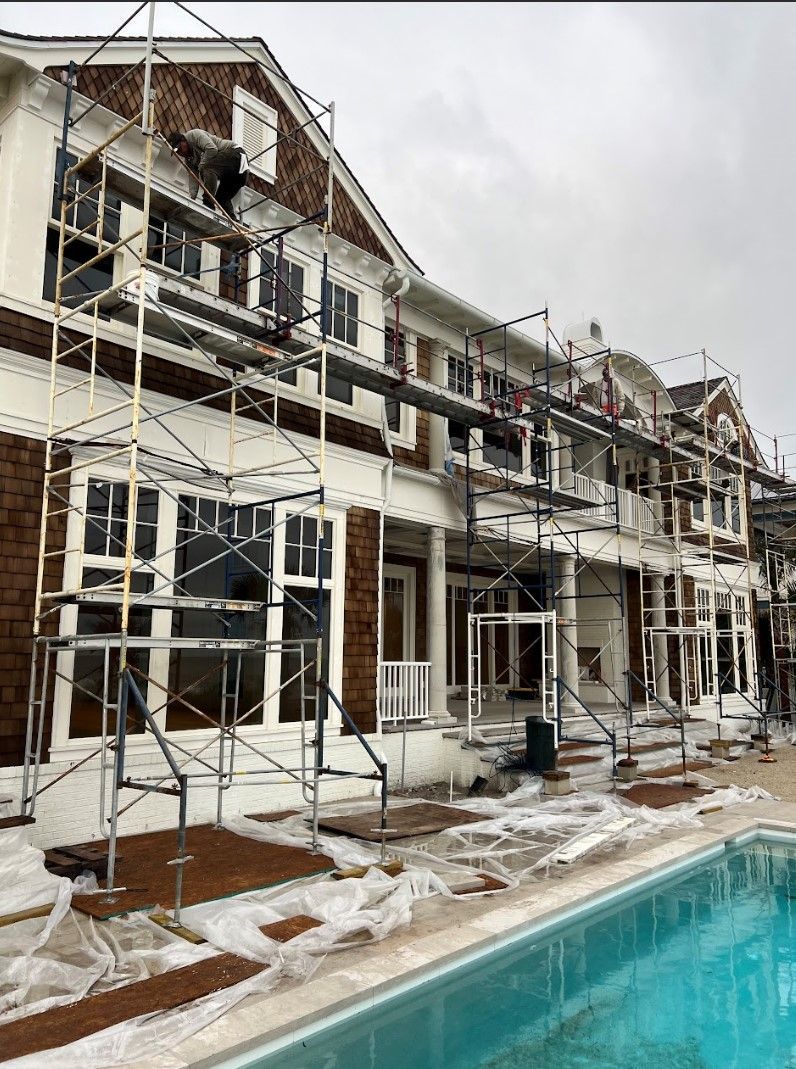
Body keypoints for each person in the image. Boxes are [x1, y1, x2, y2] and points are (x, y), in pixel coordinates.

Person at [167, 129, 249, 218]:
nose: (180, 153)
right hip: (235, 175)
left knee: (206, 168)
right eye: (177, 152)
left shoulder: (194, 135)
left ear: (183, 140)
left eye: (179, 149)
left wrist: (201, 165)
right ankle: (232, 219)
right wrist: (191, 200)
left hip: (236, 155)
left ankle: (208, 201)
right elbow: (194, 179)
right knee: (221, 199)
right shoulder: (189, 160)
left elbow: (212, 149)